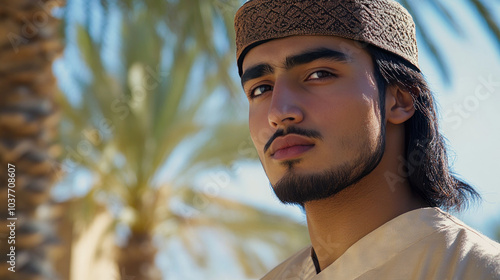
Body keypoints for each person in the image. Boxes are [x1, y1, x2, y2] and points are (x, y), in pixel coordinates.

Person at [233, 0, 500, 279]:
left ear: (400, 100)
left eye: (318, 75)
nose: (278, 112)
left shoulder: (475, 270)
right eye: (261, 88)